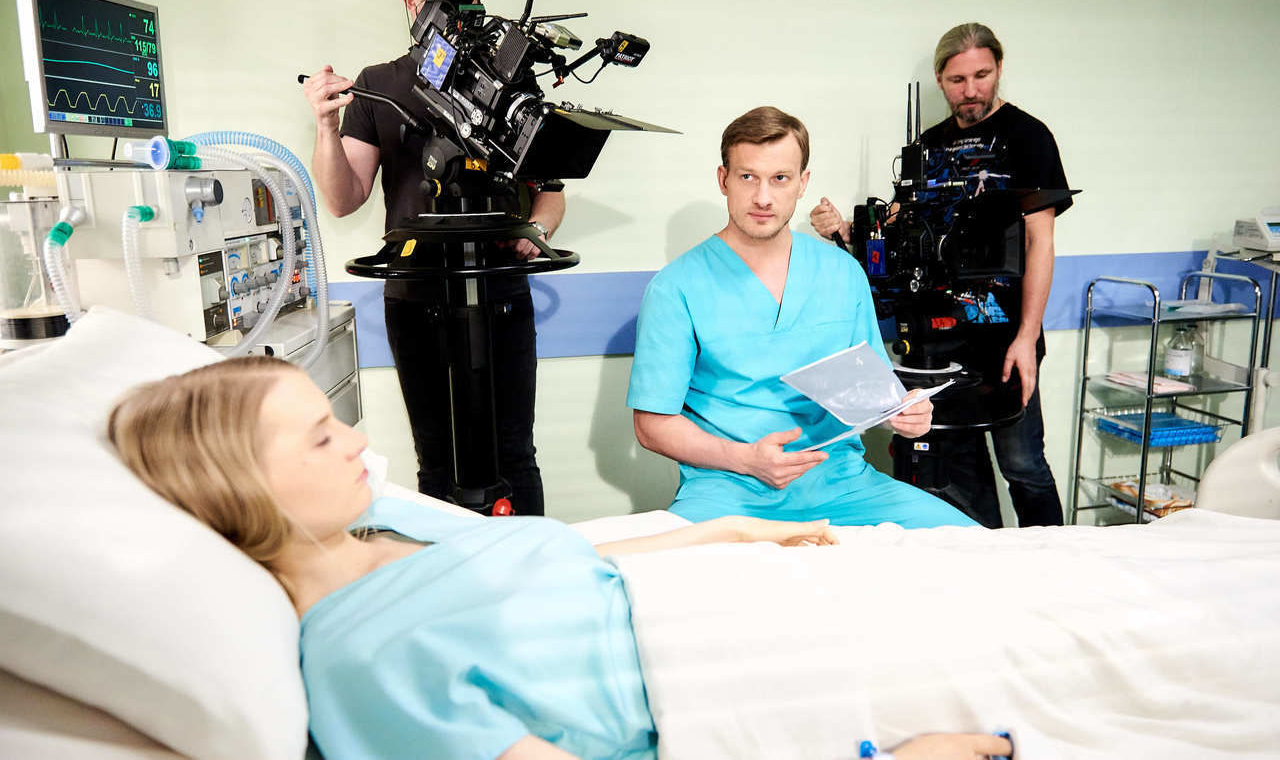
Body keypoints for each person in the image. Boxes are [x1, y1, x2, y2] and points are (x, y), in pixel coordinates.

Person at [106, 355, 1012, 760]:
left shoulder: (388, 525)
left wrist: (732, 532)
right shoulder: (359, 662)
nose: (357, 440)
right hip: (742, 680)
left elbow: (577, 561)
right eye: (319, 436)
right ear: (243, 489)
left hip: (754, 589)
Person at [302, 0, 561, 514]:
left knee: (515, 455)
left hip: (500, 291)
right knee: (438, 462)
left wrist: (536, 232)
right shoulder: (377, 85)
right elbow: (343, 199)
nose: (465, 0)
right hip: (417, 299)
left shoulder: (510, 83)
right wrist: (325, 126)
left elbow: (550, 194)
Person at [626, 106, 975, 528]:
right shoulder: (676, 287)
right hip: (728, 490)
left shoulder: (842, 273)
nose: (763, 197)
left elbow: (874, 394)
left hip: (845, 486)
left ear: (802, 183)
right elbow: (652, 424)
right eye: (747, 176)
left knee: (969, 546)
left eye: (780, 178)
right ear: (723, 179)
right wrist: (746, 459)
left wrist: (905, 415)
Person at [810, 24, 1071, 529]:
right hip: (939, 337)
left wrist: (1027, 337)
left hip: (1005, 335)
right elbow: (901, 228)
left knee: (1022, 463)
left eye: (981, 75)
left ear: (999, 68)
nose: (970, 90)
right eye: (957, 80)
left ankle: (1054, 555)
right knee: (957, 469)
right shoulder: (927, 145)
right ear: (939, 80)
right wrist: (844, 229)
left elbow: (1041, 242)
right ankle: (984, 553)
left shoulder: (1028, 137)